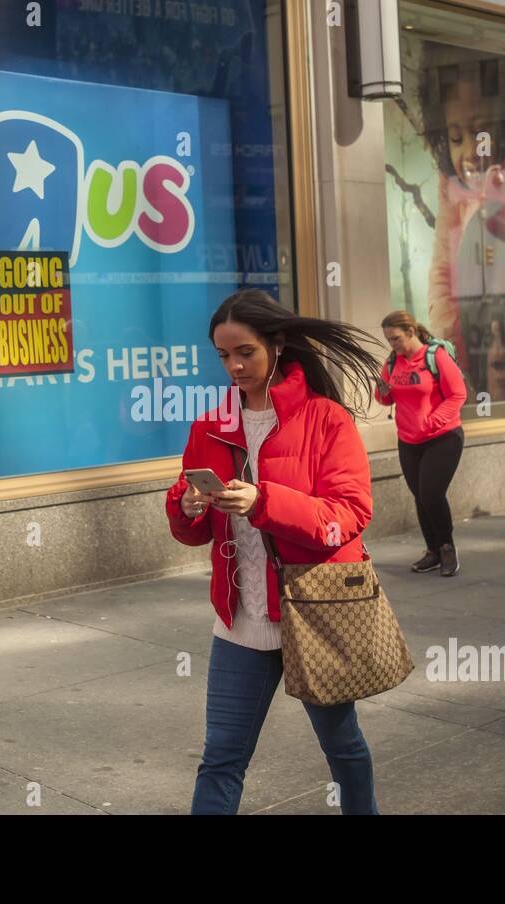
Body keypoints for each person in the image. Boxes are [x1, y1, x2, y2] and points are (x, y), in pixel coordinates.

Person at [165, 288, 385, 815]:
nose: (234, 366)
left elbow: (349, 515)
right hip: (238, 621)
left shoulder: (326, 418)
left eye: (246, 353)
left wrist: (265, 502)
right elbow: (191, 531)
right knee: (220, 757)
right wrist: (189, 507)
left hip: (313, 612)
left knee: (343, 747)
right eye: (223, 356)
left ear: (278, 346)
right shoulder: (209, 425)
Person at [419, 47, 505, 372]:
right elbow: (442, 274)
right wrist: (450, 352)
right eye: (456, 137)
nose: (469, 150)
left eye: (479, 134)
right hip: (474, 341)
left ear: (502, 127)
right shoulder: (452, 189)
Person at [374, 310, 468, 576]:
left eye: (395, 338)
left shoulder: (434, 357)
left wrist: (433, 421)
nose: (392, 344)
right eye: (389, 340)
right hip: (409, 440)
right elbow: (387, 400)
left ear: (411, 332)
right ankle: (433, 551)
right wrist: (381, 391)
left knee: (431, 494)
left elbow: (458, 394)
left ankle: (448, 547)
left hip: (443, 437)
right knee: (420, 497)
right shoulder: (393, 362)